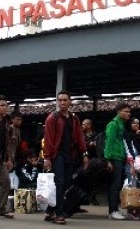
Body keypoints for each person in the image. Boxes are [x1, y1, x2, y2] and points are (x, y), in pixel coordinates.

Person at [43, 90, 89, 225]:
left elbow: (80, 137)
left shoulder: (74, 119)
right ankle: (59, 214)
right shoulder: (52, 118)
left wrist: (84, 154)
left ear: (70, 102)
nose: (62, 102)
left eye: (65, 100)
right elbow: (48, 139)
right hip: (57, 156)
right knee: (59, 183)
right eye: (60, 100)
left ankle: (49, 210)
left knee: (66, 184)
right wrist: (47, 158)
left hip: (71, 156)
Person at [105, 102, 131, 220]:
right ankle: (112, 211)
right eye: (126, 111)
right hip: (114, 158)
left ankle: (115, 209)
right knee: (114, 186)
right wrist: (108, 160)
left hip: (120, 157)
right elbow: (109, 142)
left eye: (129, 112)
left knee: (118, 185)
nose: (128, 114)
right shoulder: (114, 124)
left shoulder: (121, 124)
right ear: (118, 112)